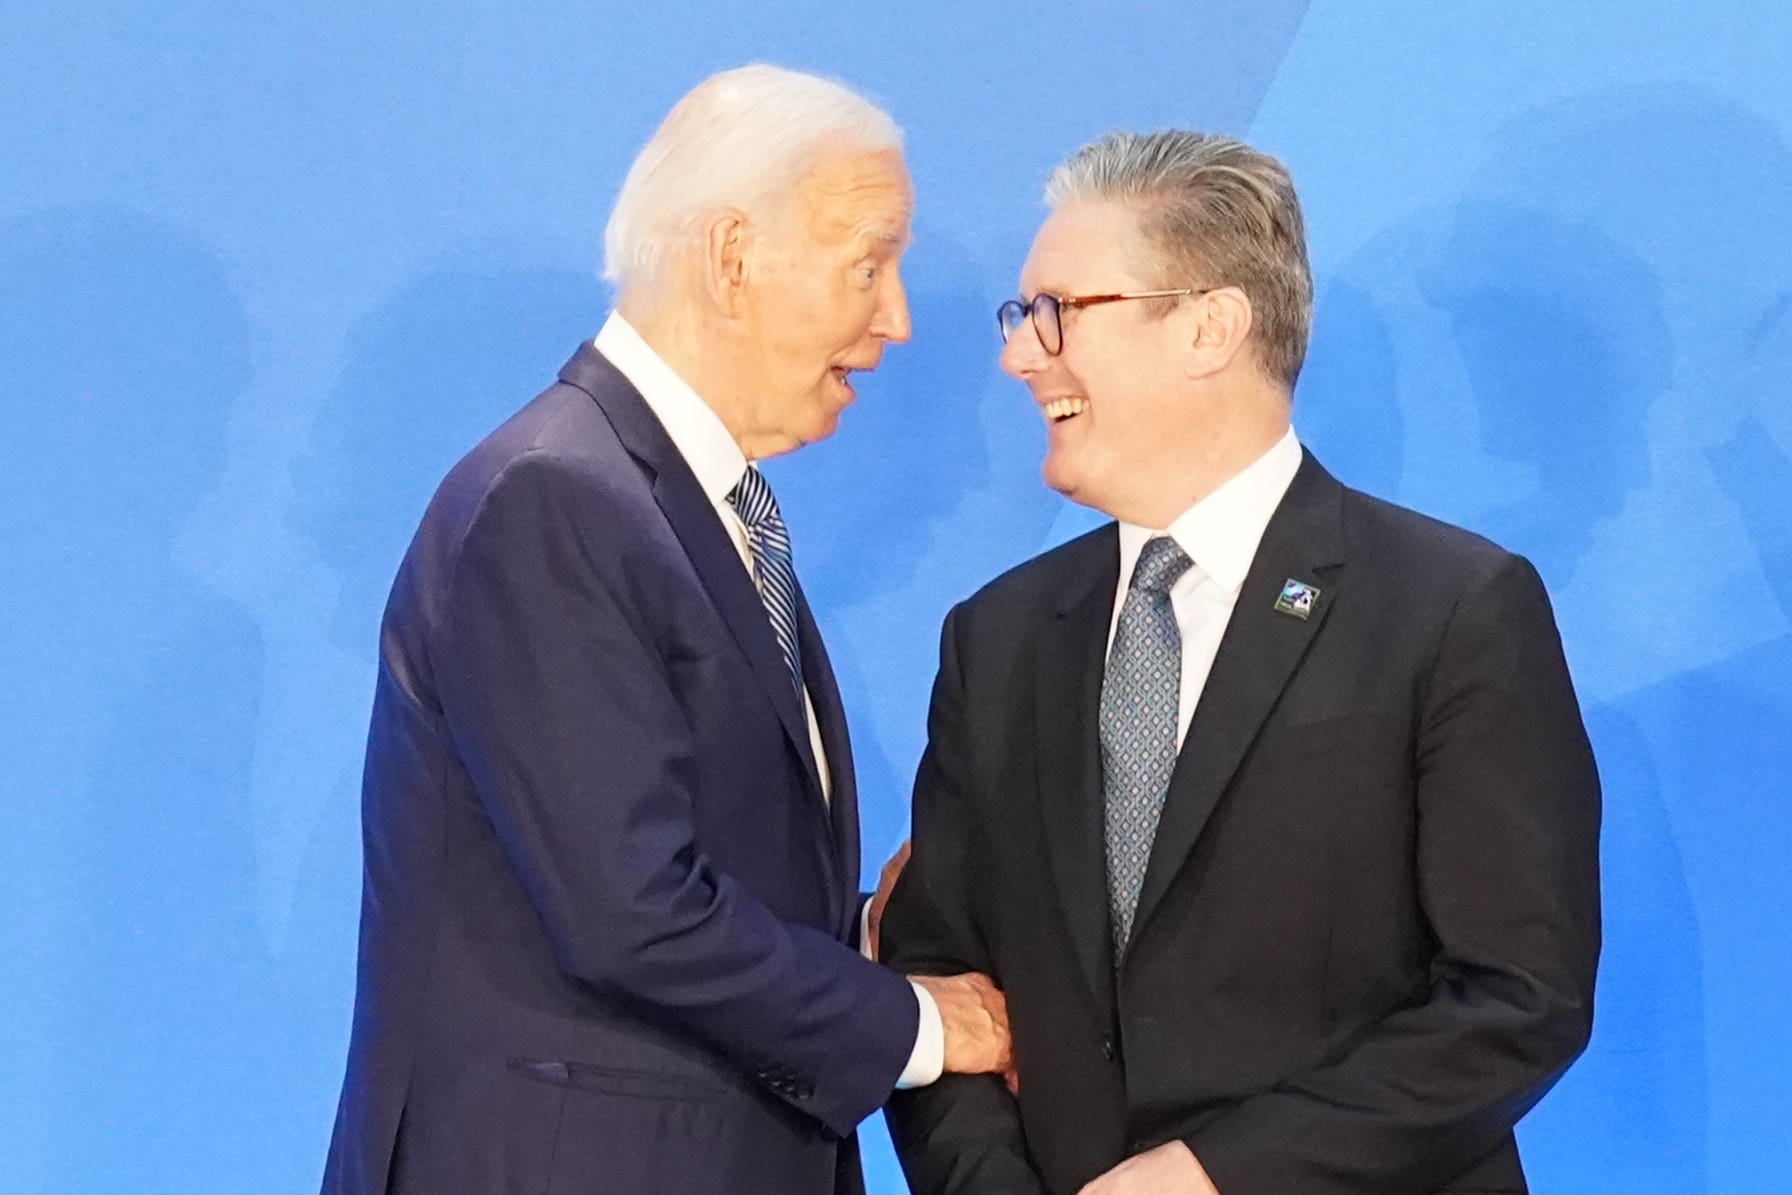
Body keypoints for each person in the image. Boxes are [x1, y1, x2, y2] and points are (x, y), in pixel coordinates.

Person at [322, 65, 1009, 1195]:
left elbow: (690, 869)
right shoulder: (557, 499)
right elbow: (630, 910)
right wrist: (915, 1024)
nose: (894, 319)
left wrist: (865, 933)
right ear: (733, 256)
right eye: (869, 263)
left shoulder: (678, 503)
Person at [880, 130, 1601, 1195]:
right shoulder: (997, 637)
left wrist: (1214, 1175)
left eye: (1059, 311)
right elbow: (938, 972)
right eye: (1018, 316)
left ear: (1209, 327)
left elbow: (1514, 997)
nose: (1019, 355)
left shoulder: (1449, 609)